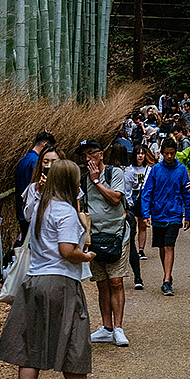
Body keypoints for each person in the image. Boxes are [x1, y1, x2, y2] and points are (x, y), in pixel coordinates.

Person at [0, 157, 113, 379]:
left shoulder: (40, 207)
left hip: (34, 280)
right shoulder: (65, 211)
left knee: (32, 339)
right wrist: (86, 257)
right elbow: (66, 250)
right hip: (59, 282)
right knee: (73, 338)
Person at [83, 139, 132, 346]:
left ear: (101, 154)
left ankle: (118, 328)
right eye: (84, 156)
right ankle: (106, 327)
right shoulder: (82, 177)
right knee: (102, 284)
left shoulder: (115, 173)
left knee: (116, 281)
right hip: (93, 236)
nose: (88, 159)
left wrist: (96, 182)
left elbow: (115, 199)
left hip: (117, 235)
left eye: (91, 153)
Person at [139, 136, 190, 294]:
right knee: (162, 247)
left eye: (172, 153)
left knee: (169, 246)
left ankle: (167, 280)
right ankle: (166, 274)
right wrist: (146, 213)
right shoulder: (156, 169)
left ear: (176, 153)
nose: (169, 156)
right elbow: (147, 193)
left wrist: (187, 215)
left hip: (174, 213)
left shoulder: (181, 169)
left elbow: (186, 193)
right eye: (167, 153)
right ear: (161, 153)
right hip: (158, 214)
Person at [14, 131, 55, 240]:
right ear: (45, 145)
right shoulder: (36, 162)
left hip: (22, 209)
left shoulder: (23, 160)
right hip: (33, 212)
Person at [124, 141, 153, 288]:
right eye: (138, 153)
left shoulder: (148, 169)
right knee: (133, 224)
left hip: (144, 198)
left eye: (142, 153)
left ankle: (141, 249)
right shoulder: (129, 170)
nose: (140, 156)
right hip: (132, 199)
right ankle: (134, 247)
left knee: (143, 224)